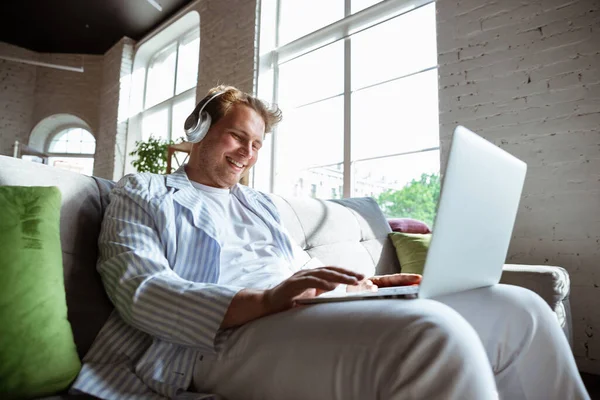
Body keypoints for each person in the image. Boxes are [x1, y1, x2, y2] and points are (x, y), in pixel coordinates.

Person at [71, 85, 590, 400]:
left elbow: (298, 270)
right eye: (236, 137)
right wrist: (264, 300)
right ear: (201, 129)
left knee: (518, 307)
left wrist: (370, 285)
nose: (247, 153)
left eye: (255, 146)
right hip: (216, 337)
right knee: (433, 334)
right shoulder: (144, 190)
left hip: (297, 317)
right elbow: (137, 286)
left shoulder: (260, 205)